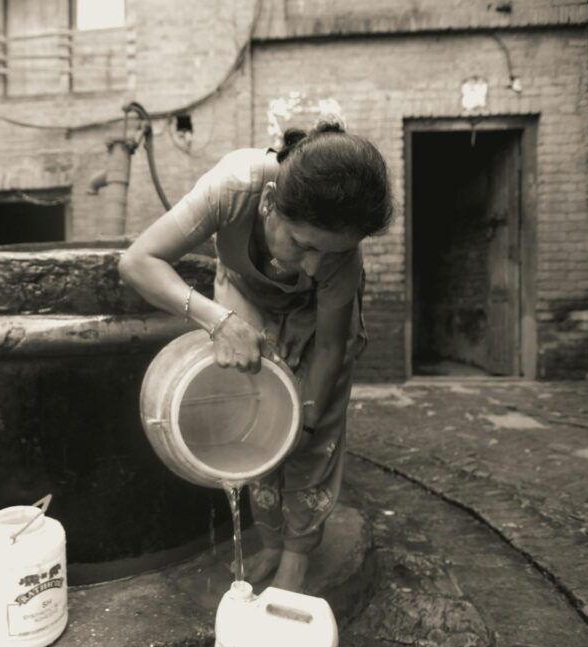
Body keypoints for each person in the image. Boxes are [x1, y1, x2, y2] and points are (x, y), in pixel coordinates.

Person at [118, 120, 393, 592]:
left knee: (310, 430)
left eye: (331, 254)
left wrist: (305, 418)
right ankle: (268, 540)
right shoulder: (233, 187)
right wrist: (218, 321)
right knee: (254, 415)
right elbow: (137, 261)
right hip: (243, 296)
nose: (313, 267)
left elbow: (329, 346)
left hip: (315, 321)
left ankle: (297, 558)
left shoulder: (337, 255)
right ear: (268, 203)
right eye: (304, 246)